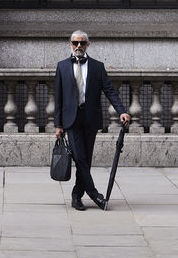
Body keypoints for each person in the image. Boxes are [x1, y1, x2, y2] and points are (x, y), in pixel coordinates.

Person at [53, 30, 131, 210]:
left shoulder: (97, 66)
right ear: (70, 44)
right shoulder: (62, 66)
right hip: (71, 120)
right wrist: (58, 124)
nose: (78, 46)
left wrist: (121, 111)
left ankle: (76, 196)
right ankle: (95, 195)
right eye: (75, 43)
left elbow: (109, 90)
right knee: (79, 157)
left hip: (90, 118)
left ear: (88, 45)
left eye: (82, 43)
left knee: (85, 160)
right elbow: (58, 98)